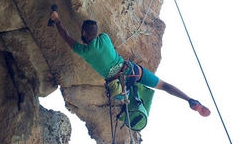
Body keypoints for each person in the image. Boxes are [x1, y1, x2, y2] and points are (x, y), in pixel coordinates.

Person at [49, 10, 211, 117]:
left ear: (83, 33)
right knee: (163, 86)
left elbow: (66, 35)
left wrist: (57, 20)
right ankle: (190, 100)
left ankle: (133, 101)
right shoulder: (105, 38)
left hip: (120, 85)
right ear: (96, 32)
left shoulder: (84, 51)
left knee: (123, 98)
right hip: (133, 70)